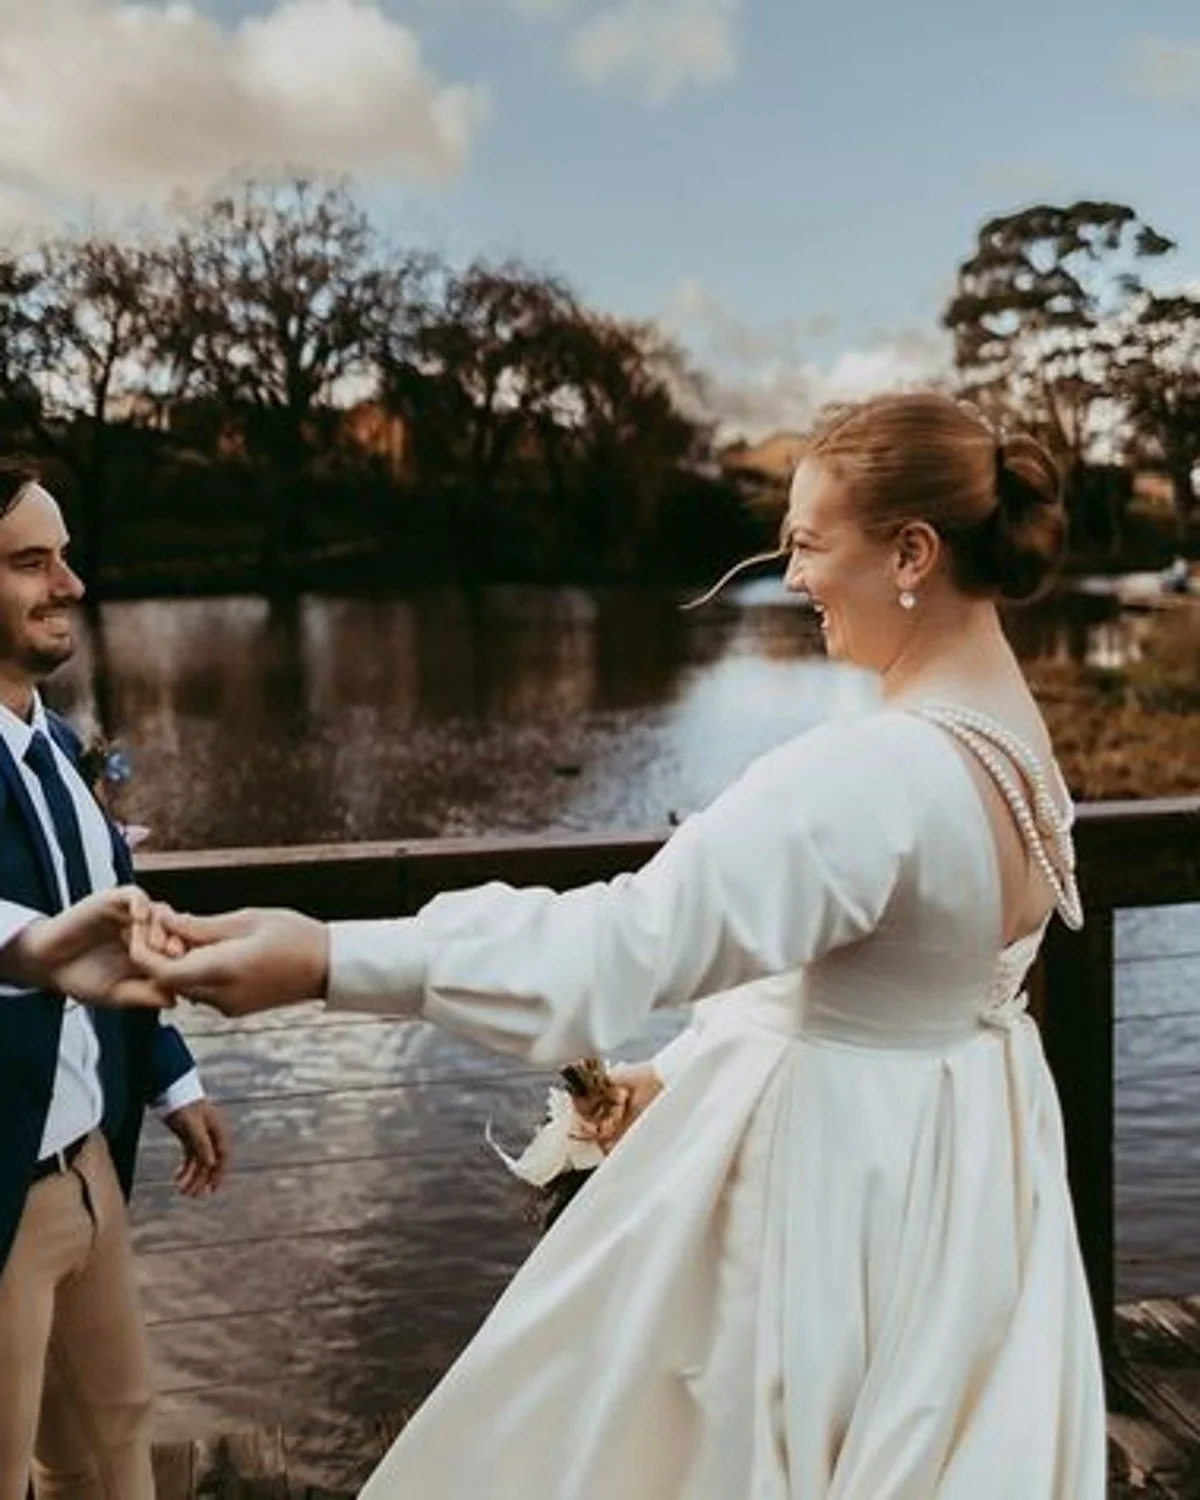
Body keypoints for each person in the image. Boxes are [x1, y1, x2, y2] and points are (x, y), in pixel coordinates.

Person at [58, 393, 1108, 1496]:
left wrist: (325, 957)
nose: (790, 576)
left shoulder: (871, 772)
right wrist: (683, 1070)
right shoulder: (1022, 754)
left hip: (834, 1216)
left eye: (804, 543)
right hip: (958, 1188)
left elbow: (616, 945)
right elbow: (876, 983)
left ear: (912, 550)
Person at [0, 461, 230, 1500]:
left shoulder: (56, 745)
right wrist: (27, 950)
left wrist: (171, 1079)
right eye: (30, 563)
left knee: (114, 1446)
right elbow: (38, 941)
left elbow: (111, 912)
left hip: (89, 1165)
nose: (69, 584)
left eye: (66, 556)